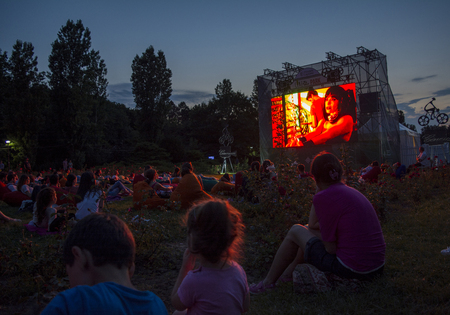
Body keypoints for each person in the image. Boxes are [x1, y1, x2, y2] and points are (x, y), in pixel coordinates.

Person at [249, 152, 385, 294]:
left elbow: (330, 249)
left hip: (353, 270)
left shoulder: (325, 196)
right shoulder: (349, 192)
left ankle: (267, 283)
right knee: (305, 230)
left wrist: (317, 194)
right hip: (376, 267)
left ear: (314, 176)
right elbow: (315, 226)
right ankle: (287, 275)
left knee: (296, 230)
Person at [41, 213, 168, 315]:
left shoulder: (73, 303)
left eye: (69, 273)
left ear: (79, 257)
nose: (70, 284)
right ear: (131, 268)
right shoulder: (156, 305)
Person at [171, 199, 250, 314]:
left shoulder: (194, 280)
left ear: (194, 240)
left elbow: (176, 303)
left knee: (178, 313)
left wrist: (185, 268)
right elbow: (245, 306)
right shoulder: (239, 272)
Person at [289, 86, 357, 147]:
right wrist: (300, 140)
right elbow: (315, 132)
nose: (328, 103)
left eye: (333, 99)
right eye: (327, 99)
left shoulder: (347, 119)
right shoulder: (324, 120)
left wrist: (305, 145)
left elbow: (328, 134)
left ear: (341, 101)